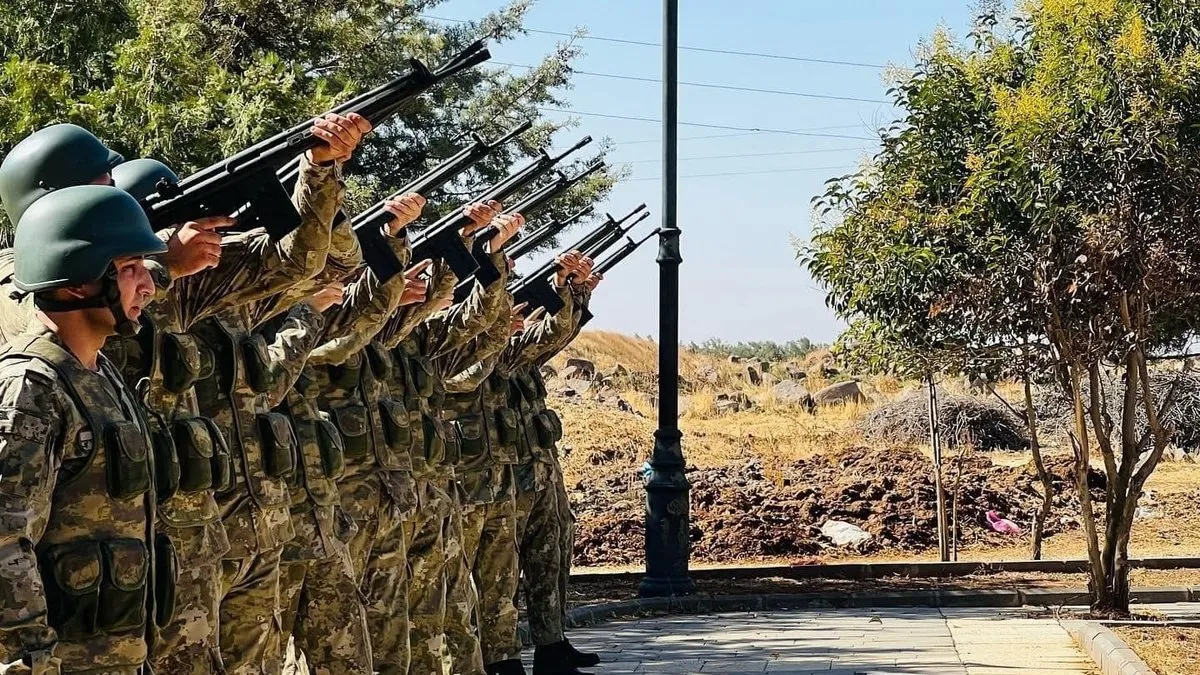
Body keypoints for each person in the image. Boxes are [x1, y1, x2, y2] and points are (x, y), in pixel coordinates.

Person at [0, 185, 167, 673]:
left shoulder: (102, 374)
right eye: (130, 268)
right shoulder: (32, 388)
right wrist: (29, 659)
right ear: (79, 282)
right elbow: (5, 539)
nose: (149, 285)